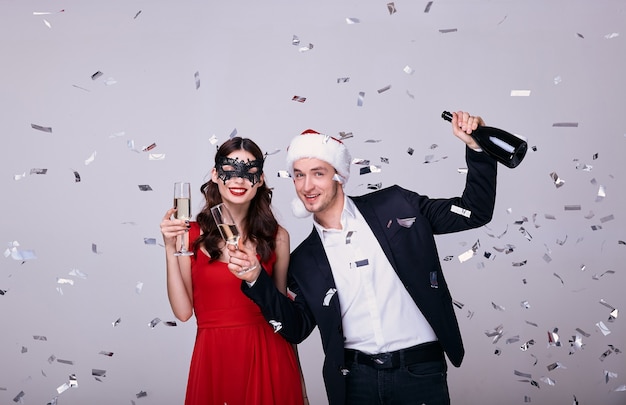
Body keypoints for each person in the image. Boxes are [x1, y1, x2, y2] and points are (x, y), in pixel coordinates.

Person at [226, 111, 499, 405]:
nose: (307, 186)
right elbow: (296, 328)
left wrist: (477, 149)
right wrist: (255, 278)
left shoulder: (397, 205)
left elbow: (474, 211)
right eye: (299, 175)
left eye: (318, 173)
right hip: (355, 382)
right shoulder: (304, 260)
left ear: (339, 176)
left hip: (420, 371)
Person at [160, 137, 308, 405]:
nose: (239, 180)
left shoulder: (278, 238)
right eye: (230, 171)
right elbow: (183, 312)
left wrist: (301, 386)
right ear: (216, 175)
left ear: (260, 180)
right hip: (214, 357)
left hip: (269, 356)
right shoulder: (189, 235)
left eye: (249, 172)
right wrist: (170, 248)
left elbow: (282, 315)